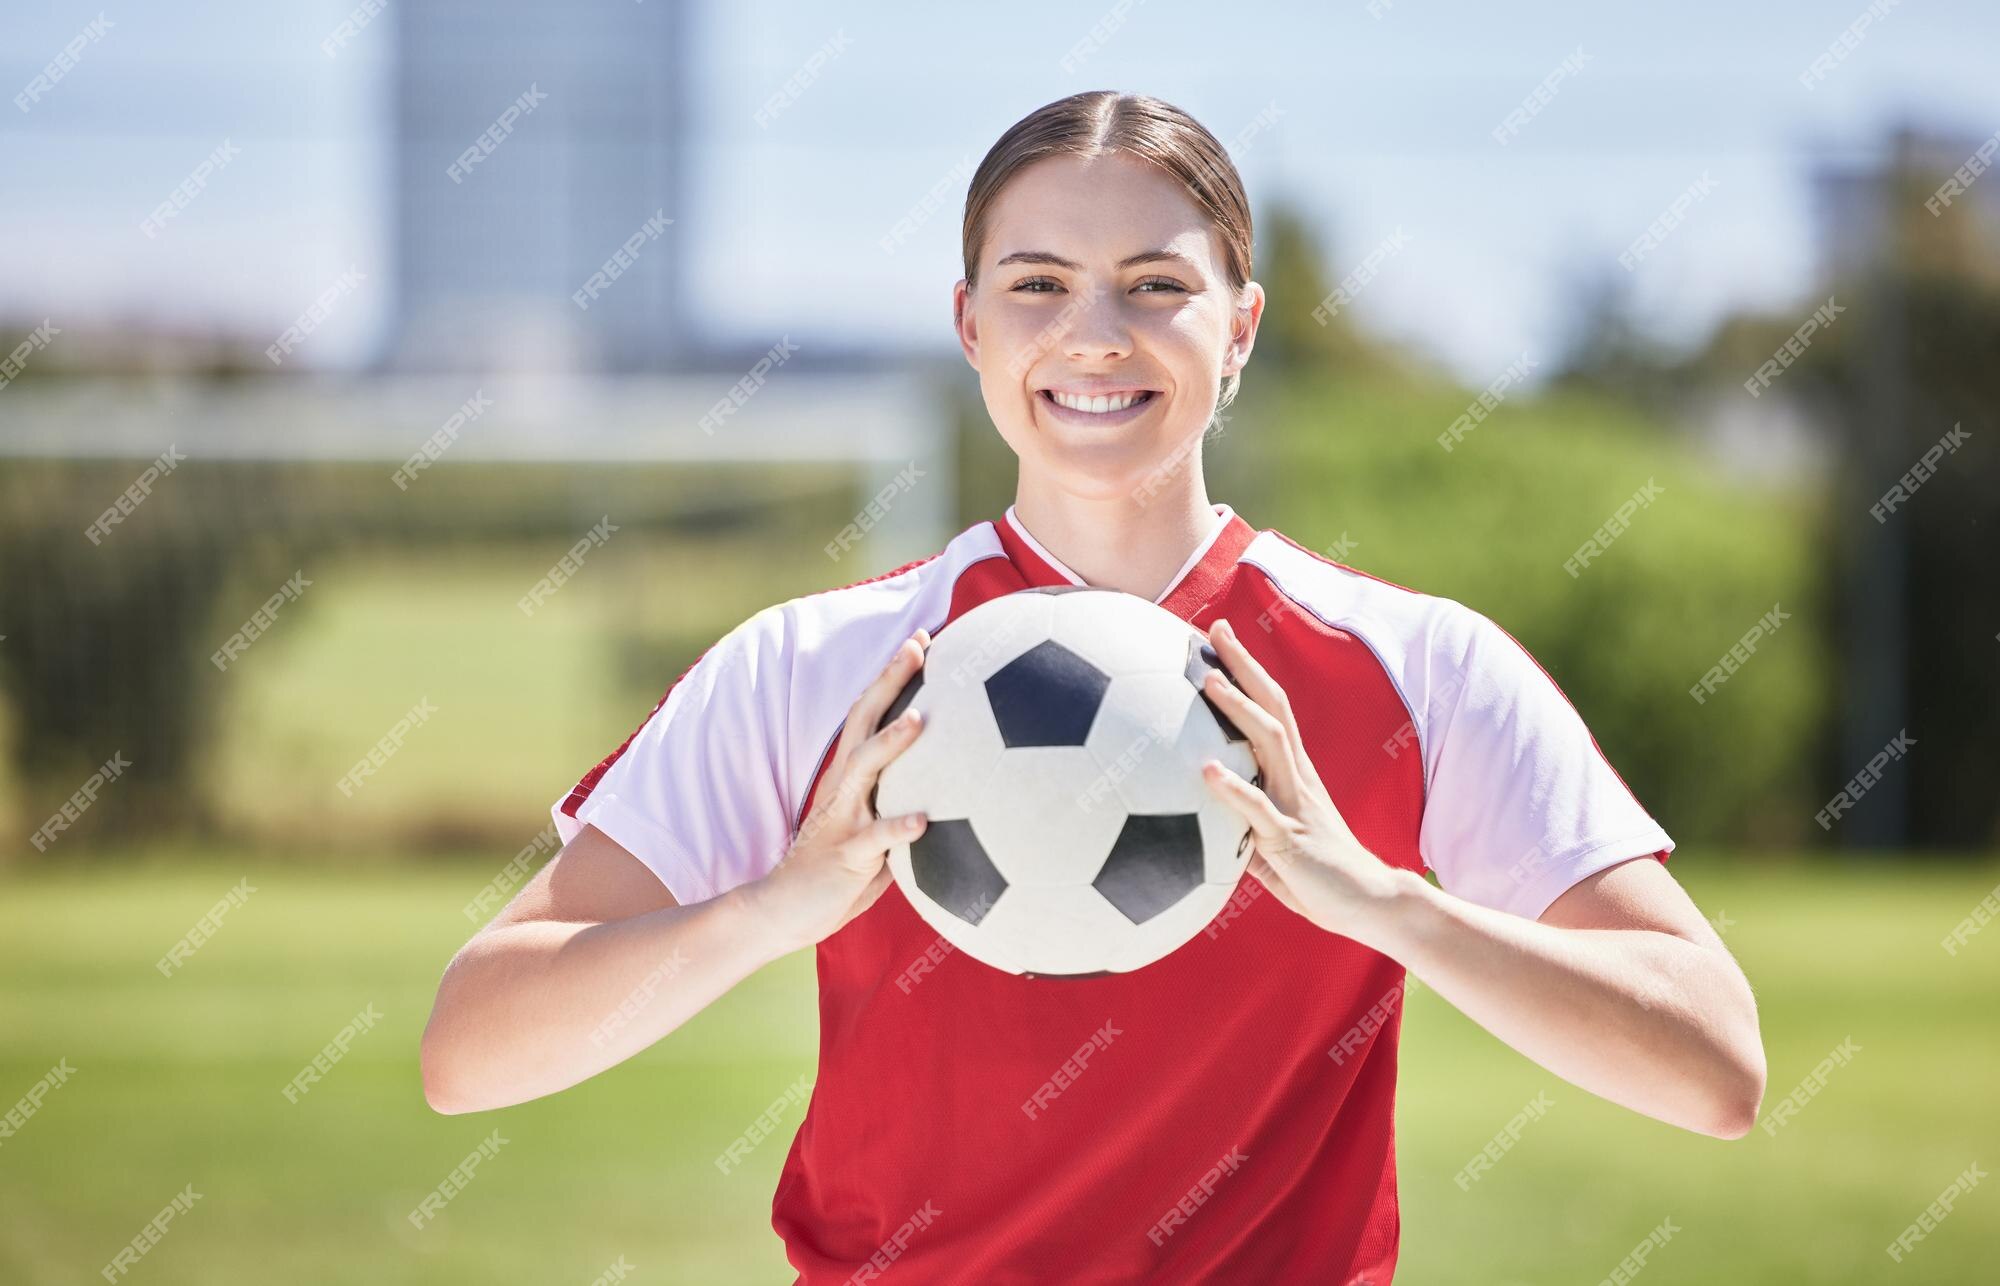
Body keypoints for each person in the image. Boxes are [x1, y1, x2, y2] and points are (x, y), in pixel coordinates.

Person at [420, 90, 1765, 1282]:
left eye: (1155, 286)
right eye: (1040, 284)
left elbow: (1714, 1068)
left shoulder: (1419, 667)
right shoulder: (820, 666)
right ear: (968, 323)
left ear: (1240, 325)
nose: (1096, 336)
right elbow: (471, 1050)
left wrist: (1385, 904)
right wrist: (769, 910)